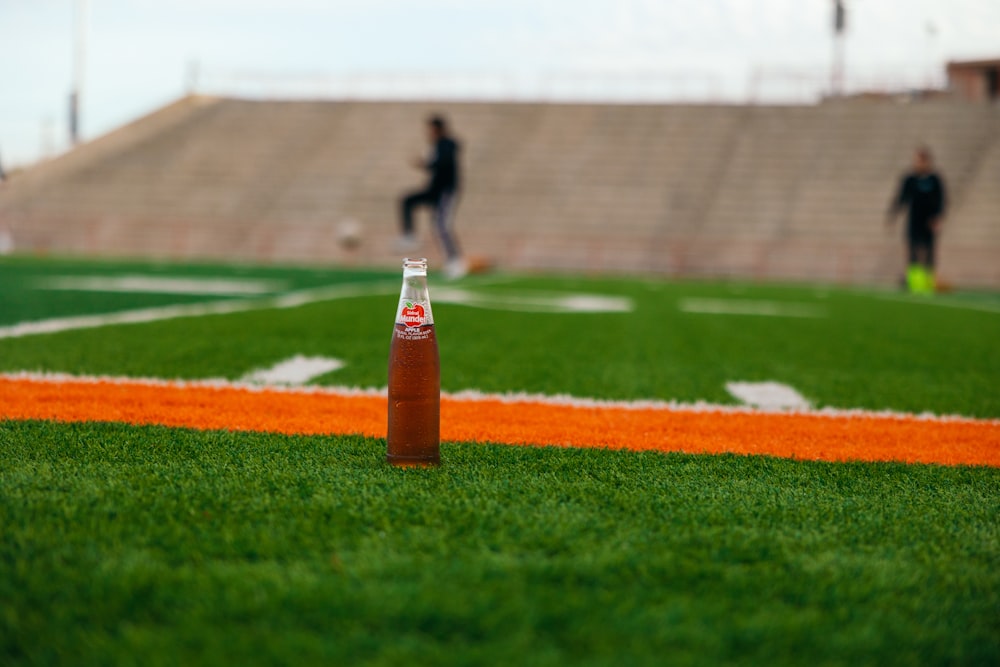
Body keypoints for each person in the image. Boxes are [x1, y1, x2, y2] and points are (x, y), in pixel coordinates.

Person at [397, 114, 466, 279]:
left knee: (442, 225)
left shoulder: (447, 144)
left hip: (445, 192)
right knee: (408, 201)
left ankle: (455, 261)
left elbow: (443, 162)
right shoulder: (435, 146)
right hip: (434, 191)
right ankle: (409, 235)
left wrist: (426, 163)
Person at [886, 146, 947, 294]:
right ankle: (915, 283)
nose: (918, 163)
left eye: (921, 160)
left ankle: (928, 282)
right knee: (913, 250)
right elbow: (902, 198)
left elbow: (941, 200)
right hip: (914, 220)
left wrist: (938, 216)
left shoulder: (935, 180)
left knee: (929, 251)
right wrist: (893, 214)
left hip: (929, 221)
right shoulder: (910, 179)